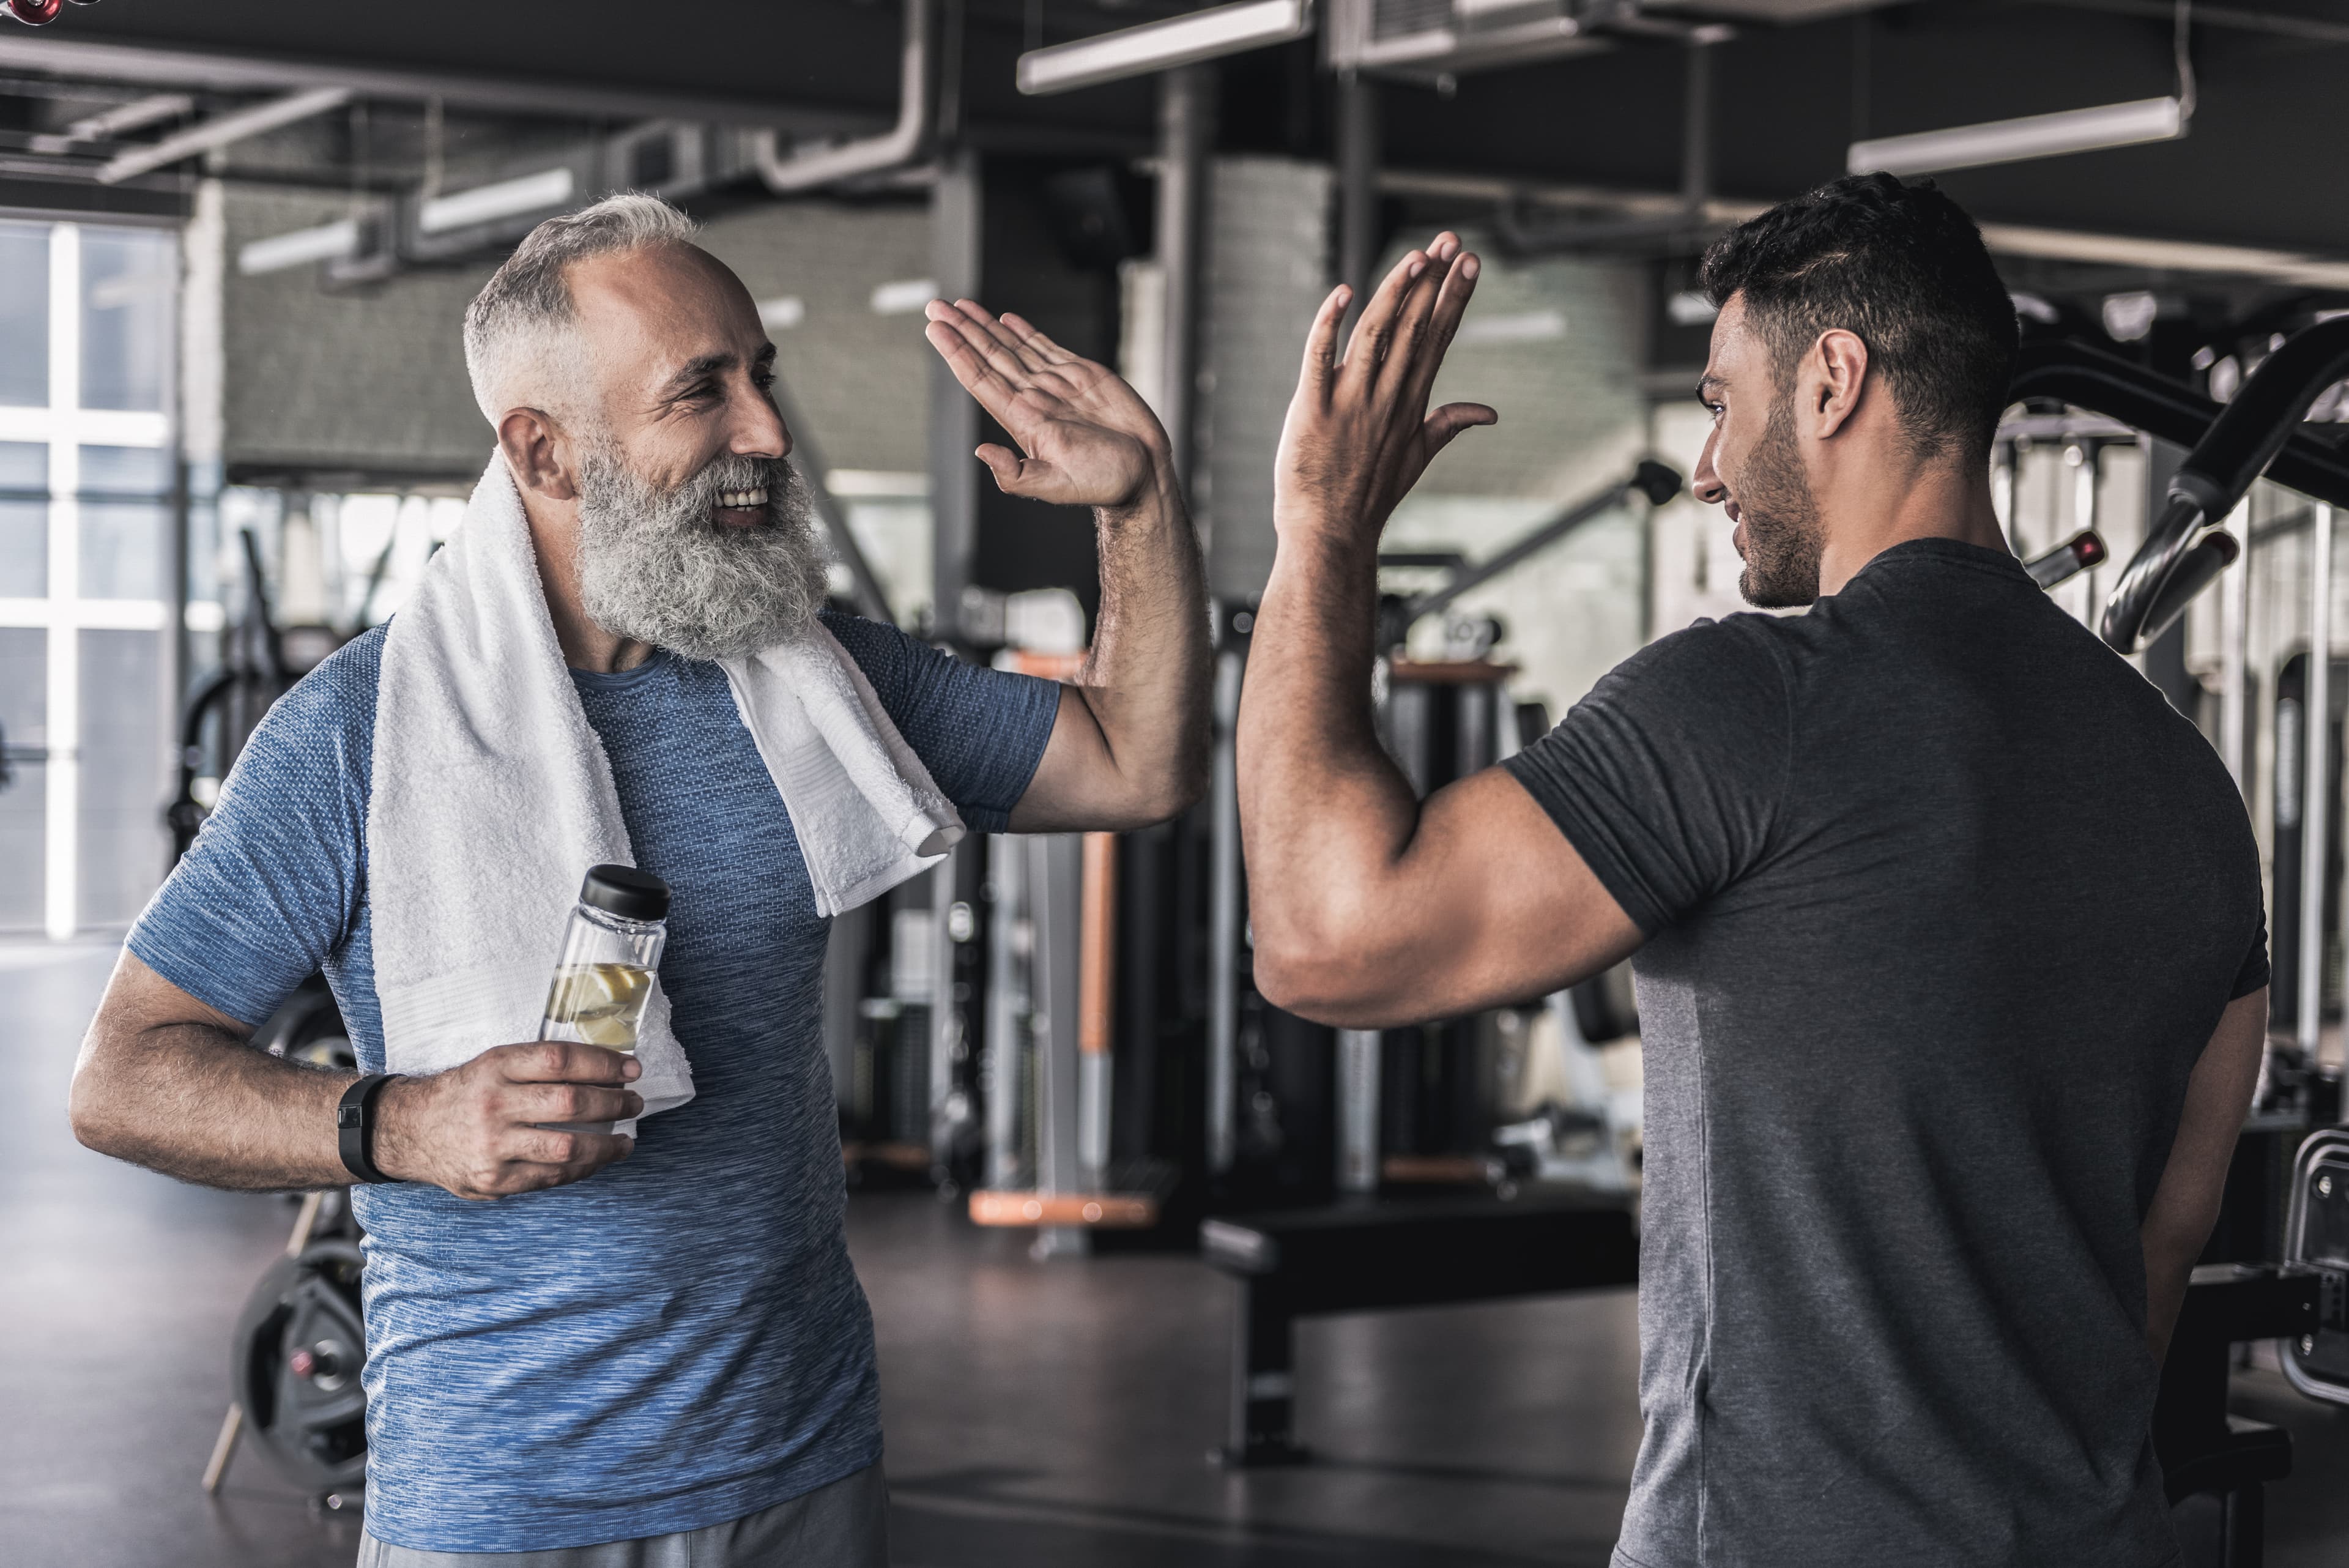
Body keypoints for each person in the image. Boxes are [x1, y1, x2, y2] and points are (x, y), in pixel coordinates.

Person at [69, 193, 1207, 1565]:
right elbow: (122, 1077)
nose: (770, 434)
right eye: (701, 393)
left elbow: (1138, 766)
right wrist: (402, 1123)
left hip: (807, 1469)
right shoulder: (357, 734)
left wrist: (1139, 506)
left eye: (762, 378)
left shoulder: (821, 682)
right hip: (503, 1506)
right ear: (545, 450)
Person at [1240, 174, 2267, 1566]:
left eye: (1722, 401)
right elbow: (2162, 1251)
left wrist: (1321, 529)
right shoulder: (2192, 788)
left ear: (1834, 380)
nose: (1710, 464)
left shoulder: (1748, 701)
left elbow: (1321, 939)